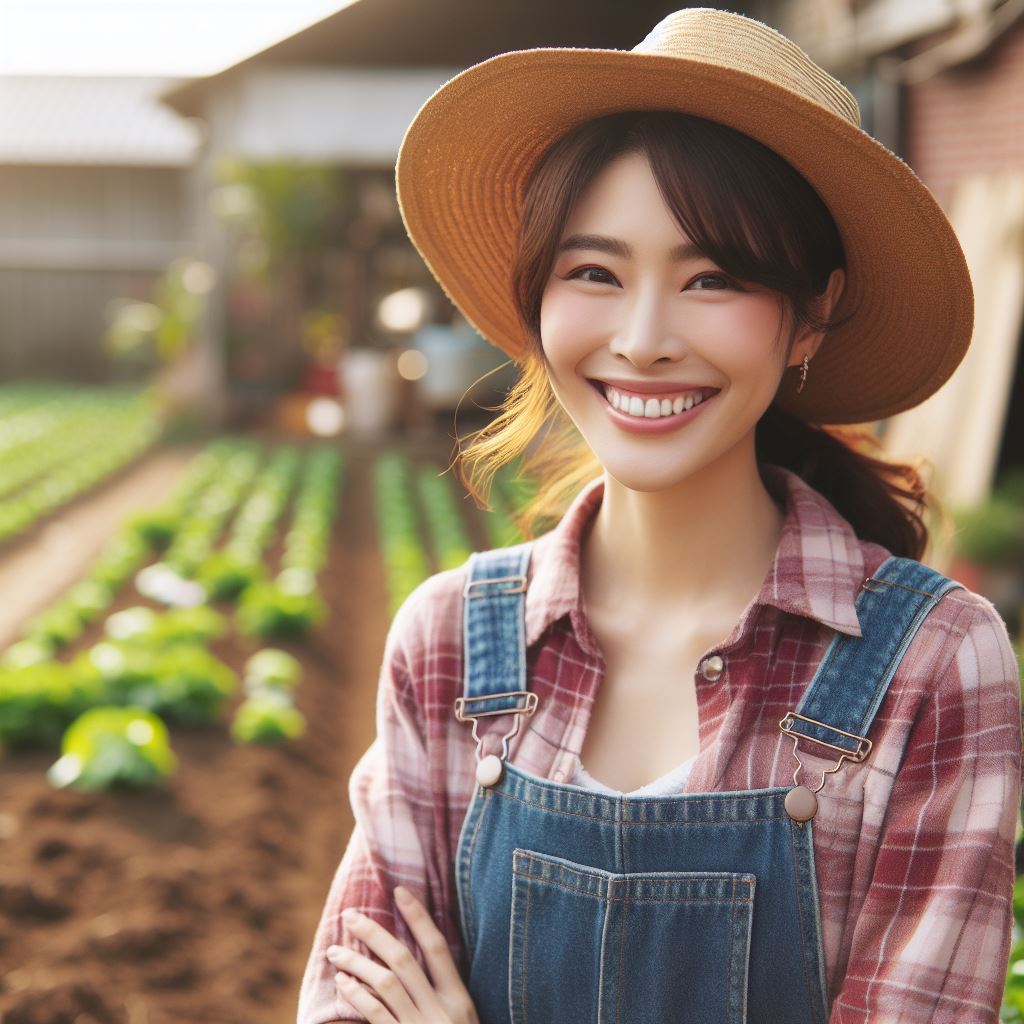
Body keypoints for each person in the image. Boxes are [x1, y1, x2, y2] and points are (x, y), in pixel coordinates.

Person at [297, 8, 1022, 1023]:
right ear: (538, 292)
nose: (641, 339)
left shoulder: (932, 663)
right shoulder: (451, 643)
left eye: (712, 278)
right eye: (593, 272)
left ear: (811, 311)